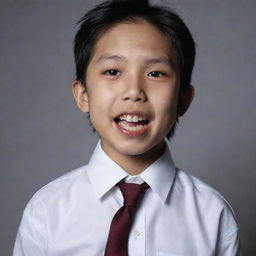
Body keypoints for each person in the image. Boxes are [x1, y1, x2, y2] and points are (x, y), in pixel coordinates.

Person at [13, 0, 242, 255]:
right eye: (112, 71)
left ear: (182, 99)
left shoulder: (213, 215)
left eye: (155, 73)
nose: (134, 92)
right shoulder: (47, 210)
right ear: (83, 95)